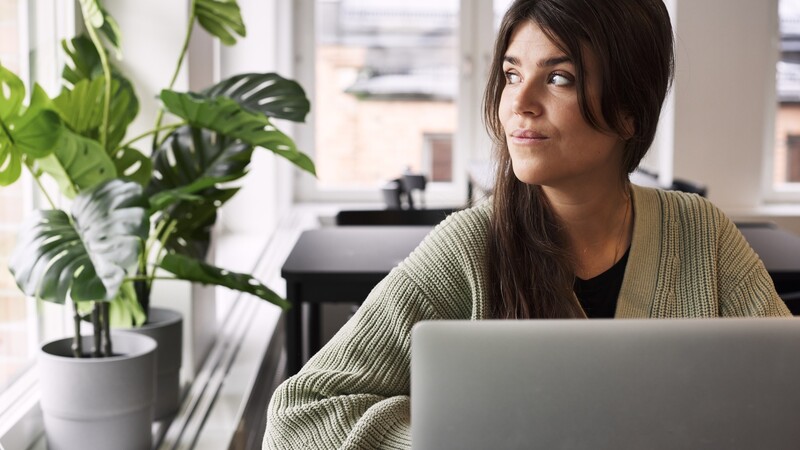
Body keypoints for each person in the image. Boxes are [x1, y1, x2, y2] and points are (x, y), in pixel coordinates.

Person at [264, 0, 791, 448]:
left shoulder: (702, 234)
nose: (518, 103)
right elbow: (299, 416)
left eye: (558, 78)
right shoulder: (469, 247)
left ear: (630, 111)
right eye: (512, 74)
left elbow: (786, 391)